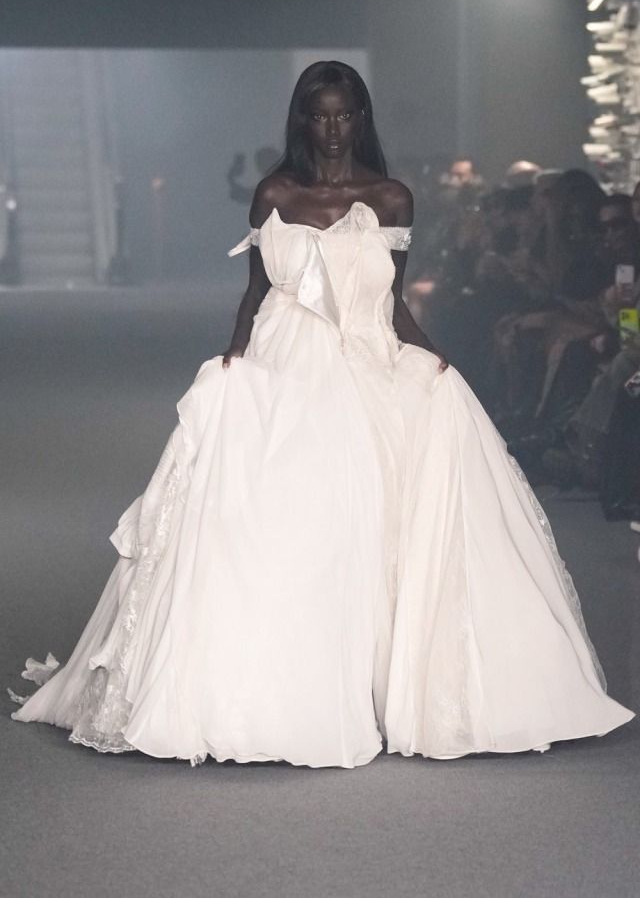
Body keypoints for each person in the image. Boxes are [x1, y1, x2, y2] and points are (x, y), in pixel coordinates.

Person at [10, 62, 634, 767]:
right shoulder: (276, 192)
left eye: (345, 115)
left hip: (368, 364)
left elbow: (394, 303)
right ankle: (264, 691)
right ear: (302, 121)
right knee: (274, 521)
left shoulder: (392, 198)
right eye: (320, 116)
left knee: (374, 515)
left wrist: (438, 362)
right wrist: (233, 359)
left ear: (361, 118)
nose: (333, 129)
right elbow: (252, 293)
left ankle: (377, 686)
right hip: (283, 364)